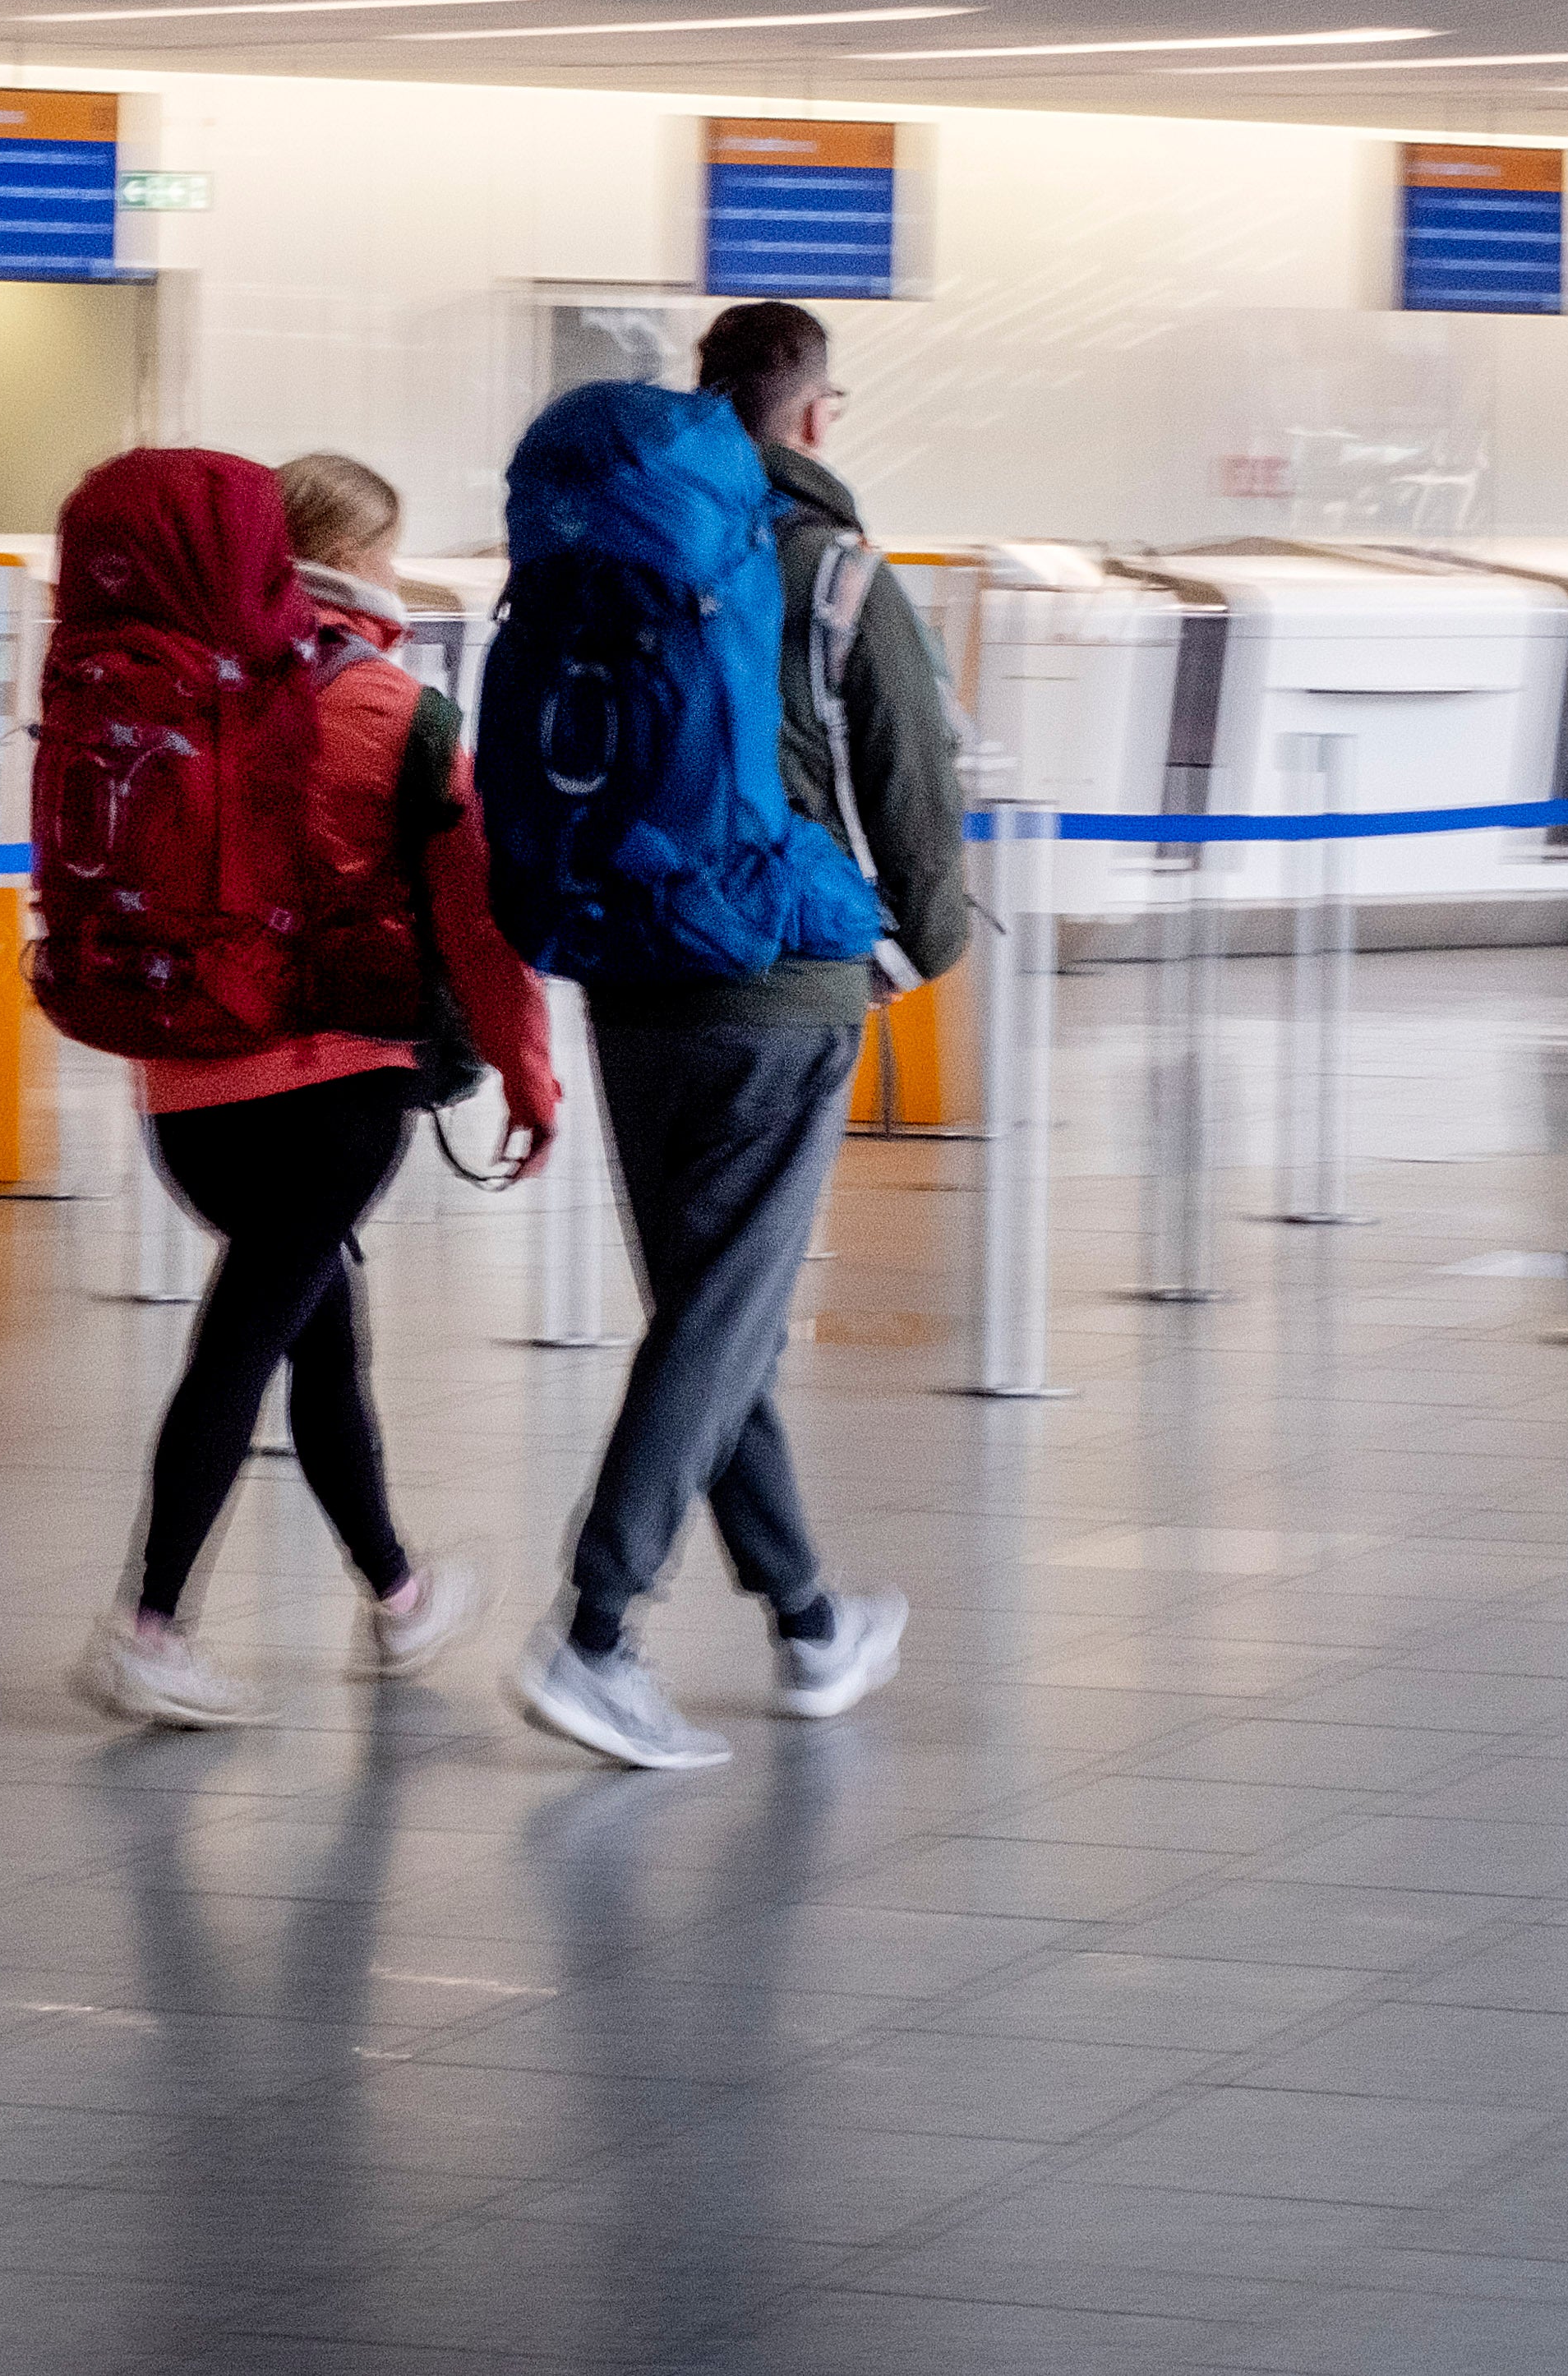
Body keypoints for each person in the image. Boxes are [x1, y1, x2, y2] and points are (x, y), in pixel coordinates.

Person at [509, 304, 970, 1772]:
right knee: (723, 1312)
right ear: (817, 413)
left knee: (715, 1308)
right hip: (778, 982)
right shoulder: (831, 567)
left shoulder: (608, 545)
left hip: (623, 967)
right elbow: (910, 775)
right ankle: (595, 1628)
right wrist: (920, 949)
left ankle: (806, 1615)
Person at [71, 448, 563, 1731]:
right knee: (248, 1341)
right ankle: (148, 1622)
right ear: (358, 560)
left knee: (315, 1328)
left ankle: (398, 1598)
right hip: (335, 1087)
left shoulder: (173, 691)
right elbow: (477, 917)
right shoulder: (394, 709)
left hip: (183, 1087)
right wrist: (527, 1070)